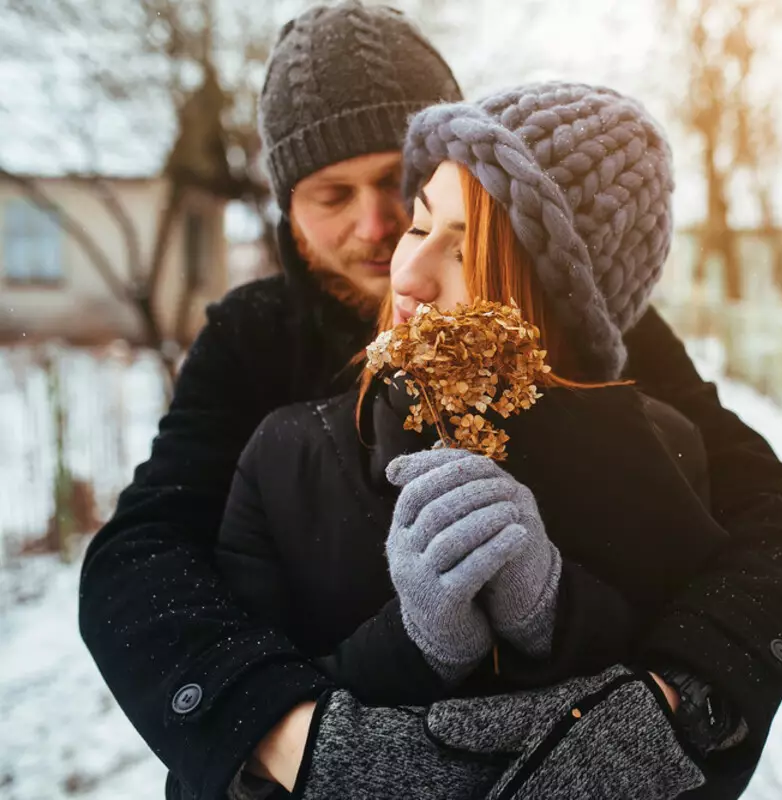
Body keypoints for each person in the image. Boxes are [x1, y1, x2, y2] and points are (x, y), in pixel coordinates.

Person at [76, 3, 782, 799]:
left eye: (391, 184)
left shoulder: (601, 332)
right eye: (333, 195)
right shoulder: (254, 347)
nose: (376, 228)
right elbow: (141, 560)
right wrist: (300, 740)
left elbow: (774, 523)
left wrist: (671, 706)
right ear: (288, 211)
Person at [217, 86, 730, 797]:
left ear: (555, 307)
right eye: (419, 227)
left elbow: (696, 746)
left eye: (467, 254)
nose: (410, 275)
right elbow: (225, 771)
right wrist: (415, 644)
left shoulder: (658, 459)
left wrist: (553, 612)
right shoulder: (287, 458)